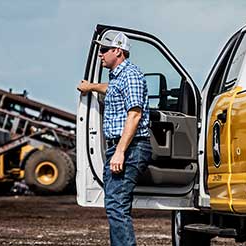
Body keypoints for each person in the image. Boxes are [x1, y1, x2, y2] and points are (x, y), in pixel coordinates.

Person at [77, 31, 151, 246]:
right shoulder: (119, 77)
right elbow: (112, 89)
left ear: (117, 51)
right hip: (122, 147)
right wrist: (91, 87)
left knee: (116, 206)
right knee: (116, 206)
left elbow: (134, 115)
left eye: (103, 50)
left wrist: (119, 151)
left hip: (130, 148)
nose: (100, 54)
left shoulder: (131, 75)